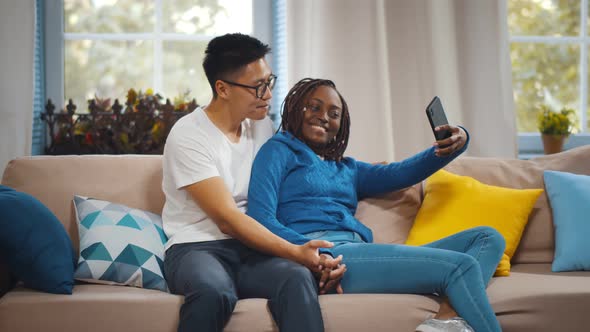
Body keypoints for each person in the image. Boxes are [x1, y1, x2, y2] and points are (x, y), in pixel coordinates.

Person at [247, 78, 506, 332]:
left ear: (342, 124)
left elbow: (402, 173)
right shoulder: (278, 151)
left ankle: (447, 319)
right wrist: (314, 255)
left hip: (358, 251)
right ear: (295, 108)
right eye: (314, 107)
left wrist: (456, 143)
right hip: (330, 256)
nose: (324, 116)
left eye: (334, 113)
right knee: (461, 266)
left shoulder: (347, 168)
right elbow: (260, 217)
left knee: (488, 237)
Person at [161, 35, 344, 332]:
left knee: (296, 278)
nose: (269, 94)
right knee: (214, 291)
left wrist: (312, 256)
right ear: (222, 89)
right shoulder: (188, 135)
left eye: (269, 81)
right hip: (195, 248)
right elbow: (228, 220)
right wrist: (295, 251)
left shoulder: (262, 126)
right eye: (258, 86)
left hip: (249, 248)